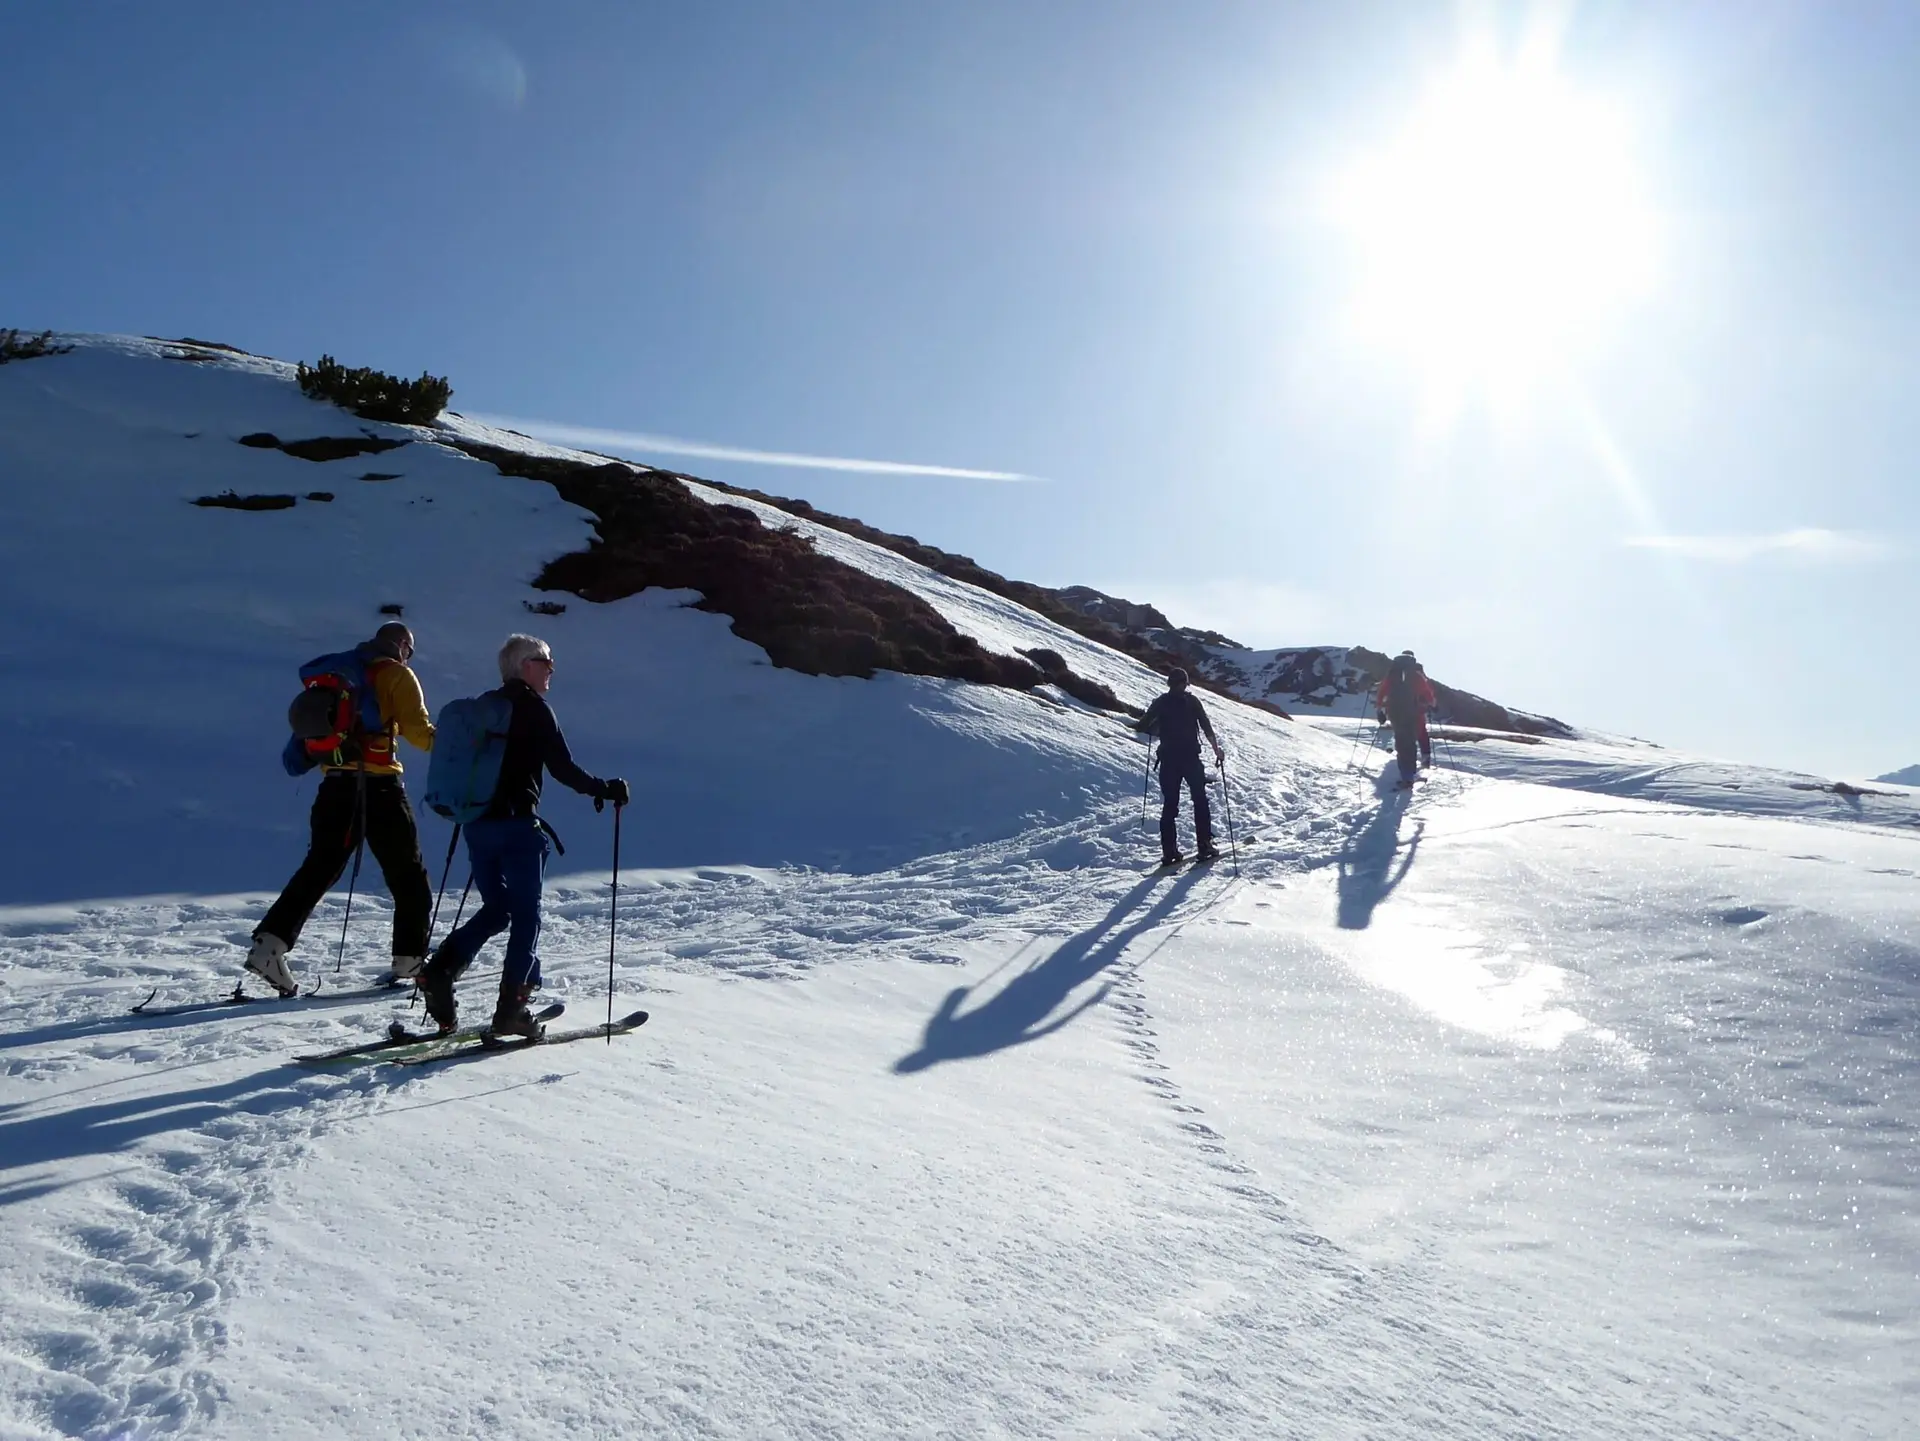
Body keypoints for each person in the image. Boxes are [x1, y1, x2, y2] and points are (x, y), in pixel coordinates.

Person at [417, 634, 628, 1039]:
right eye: (545, 661)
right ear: (524, 666)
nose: (551, 669)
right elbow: (563, 769)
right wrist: (607, 789)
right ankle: (512, 1009)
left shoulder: (486, 709)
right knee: (527, 916)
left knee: (499, 909)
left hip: (477, 827)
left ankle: (440, 971)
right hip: (517, 829)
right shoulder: (533, 710)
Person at [246, 622, 435, 996]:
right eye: (408, 650)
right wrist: (456, 743)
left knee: (319, 868)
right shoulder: (397, 675)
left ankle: (268, 946)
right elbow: (419, 734)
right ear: (401, 646)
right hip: (380, 788)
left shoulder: (338, 676)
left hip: (334, 786)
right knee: (408, 876)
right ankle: (410, 959)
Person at [1134, 668, 1224, 866]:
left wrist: (1158, 725)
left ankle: (1169, 852)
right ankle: (1204, 845)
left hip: (1168, 760)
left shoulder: (1160, 702)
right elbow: (1205, 725)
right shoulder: (1192, 701)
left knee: (1170, 805)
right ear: (1185, 683)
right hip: (1190, 759)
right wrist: (1217, 750)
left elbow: (1142, 726)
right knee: (1199, 800)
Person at [1375, 650, 1437, 787]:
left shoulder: (1392, 675)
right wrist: (1431, 704)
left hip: (1395, 713)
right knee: (1412, 741)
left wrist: (1380, 709)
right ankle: (1414, 770)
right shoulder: (1416, 675)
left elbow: (1382, 692)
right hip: (1413, 713)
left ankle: (1405, 775)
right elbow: (1427, 693)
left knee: (1401, 742)